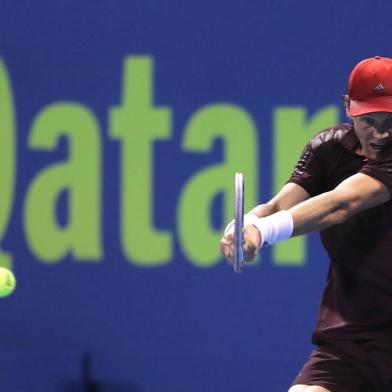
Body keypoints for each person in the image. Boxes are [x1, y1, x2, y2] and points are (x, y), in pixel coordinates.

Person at [220, 56, 392, 392]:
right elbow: (279, 205)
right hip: (352, 342)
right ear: (348, 108)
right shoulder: (327, 148)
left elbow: (343, 203)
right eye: (370, 120)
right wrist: (246, 228)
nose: (383, 133)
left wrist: (264, 230)